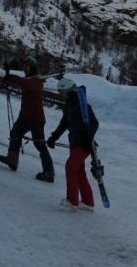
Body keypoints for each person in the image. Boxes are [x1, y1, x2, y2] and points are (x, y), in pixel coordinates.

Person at [0, 56, 55, 183]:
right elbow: (23, 83)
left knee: (39, 144)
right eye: (24, 66)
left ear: (32, 68)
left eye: (27, 66)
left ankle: (49, 172)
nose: (25, 68)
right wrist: (8, 77)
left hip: (36, 118)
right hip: (26, 116)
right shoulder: (30, 80)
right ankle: (12, 160)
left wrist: (11, 77)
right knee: (15, 133)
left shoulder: (36, 81)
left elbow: (26, 84)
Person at [49, 82, 100, 210]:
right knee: (78, 170)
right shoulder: (69, 107)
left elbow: (95, 123)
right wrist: (53, 137)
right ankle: (88, 202)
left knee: (70, 166)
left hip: (83, 144)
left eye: (62, 93)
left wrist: (88, 138)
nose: (61, 96)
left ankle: (72, 201)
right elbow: (63, 124)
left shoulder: (83, 106)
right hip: (75, 142)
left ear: (68, 91)